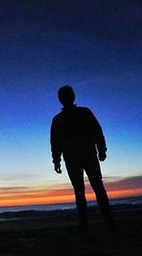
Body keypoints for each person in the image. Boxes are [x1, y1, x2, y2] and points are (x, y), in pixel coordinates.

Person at [50, 85, 114, 231]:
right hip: (82, 157)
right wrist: (56, 160)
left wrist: (102, 149)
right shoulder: (68, 117)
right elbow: (55, 142)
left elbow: (55, 143)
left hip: (80, 157)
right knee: (93, 189)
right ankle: (102, 222)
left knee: (85, 190)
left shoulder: (63, 118)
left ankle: (92, 224)